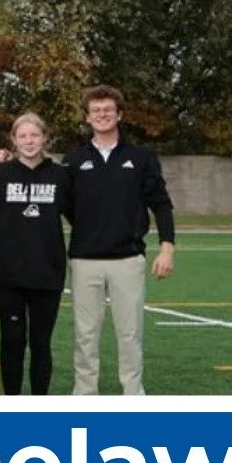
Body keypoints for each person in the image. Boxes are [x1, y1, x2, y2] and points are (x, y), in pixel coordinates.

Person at [63, 85, 176, 396]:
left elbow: (161, 204)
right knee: (86, 335)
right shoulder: (73, 159)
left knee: (130, 334)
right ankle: (85, 394)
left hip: (127, 259)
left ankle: (133, 394)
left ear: (119, 114)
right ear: (87, 117)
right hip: (85, 260)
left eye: (107, 110)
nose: (102, 115)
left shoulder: (140, 157)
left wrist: (167, 248)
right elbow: (63, 205)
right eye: (96, 110)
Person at [0, 112, 69, 396]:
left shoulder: (60, 174)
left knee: (41, 342)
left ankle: (39, 402)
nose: (29, 141)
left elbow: (79, 216)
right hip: (9, 271)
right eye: (22, 136)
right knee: (12, 341)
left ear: (45, 137)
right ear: (13, 140)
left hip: (48, 271)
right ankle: (12, 401)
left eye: (34, 135)